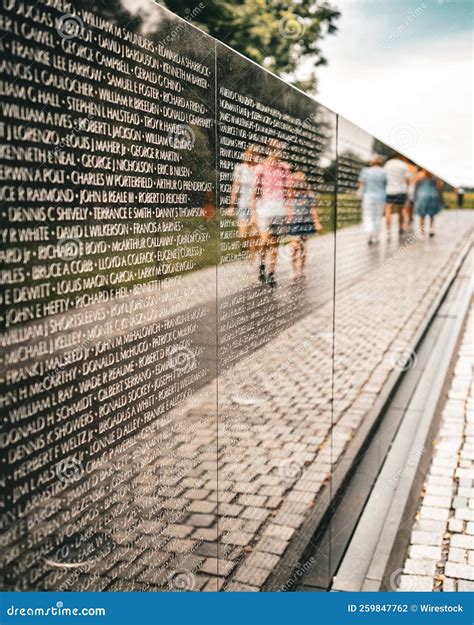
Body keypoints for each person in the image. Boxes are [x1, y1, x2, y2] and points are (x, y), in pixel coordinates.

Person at [251, 139, 292, 288]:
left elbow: (287, 193)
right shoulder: (260, 168)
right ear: (269, 150)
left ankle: (271, 273)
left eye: (280, 150)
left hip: (279, 208)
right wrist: (253, 213)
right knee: (264, 240)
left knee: (275, 243)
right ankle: (262, 265)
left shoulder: (284, 169)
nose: (278, 153)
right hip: (264, 209)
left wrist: (289, 212)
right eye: (276, 149)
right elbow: (254, 193)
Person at [288, 171, 322, 280]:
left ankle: (301, 269)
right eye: (297, 181)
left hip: (306, 223)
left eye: (301, 181)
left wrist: (316, 222)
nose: (299, 183)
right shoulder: (290, 194)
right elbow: (287, 207)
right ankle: (293, 270)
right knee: (294, 247)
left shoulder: (309, 194)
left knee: (303, 247)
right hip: (294, 224)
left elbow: (313, 209)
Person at [229, 145, 260, 261]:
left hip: (256, 206)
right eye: (253, 154)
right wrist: (231, 205)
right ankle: (251, 252)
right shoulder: (240, 168)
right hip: (243, 205)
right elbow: (235, 187)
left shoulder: (258, 169)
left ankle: (253, 258)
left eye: (257, 154)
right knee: (243, 234)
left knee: (254, 234)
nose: (254, 157)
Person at [358, 155, 387, 244]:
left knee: (368, 216)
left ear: (371, 162)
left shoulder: (365, 171)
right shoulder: (384, 172)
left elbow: (361, 184)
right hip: (381, 197)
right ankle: (375, 236)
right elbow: (385, 185)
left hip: (368, 197)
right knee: (378, 217)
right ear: (381, 162)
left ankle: (369, 233)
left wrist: (360, 195)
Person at [384, 153, 410, 237]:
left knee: (388, 210)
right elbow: (407, 180)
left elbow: (384, 177)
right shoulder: (404, 165)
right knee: (401, 210)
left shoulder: (388, 164)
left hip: (389, 190)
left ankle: (388, 230)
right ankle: (400, 228)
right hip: (400, 191)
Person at [415, 169, 443, 238]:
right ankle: (431, 229)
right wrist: (440, 197)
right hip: (433, 195)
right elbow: (439, 187)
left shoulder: (419, 174)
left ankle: (422, 232)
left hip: (422, 196)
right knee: (432, 214)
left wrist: (415, 196)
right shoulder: (435, 175)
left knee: (422, 215)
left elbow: (415, 186)